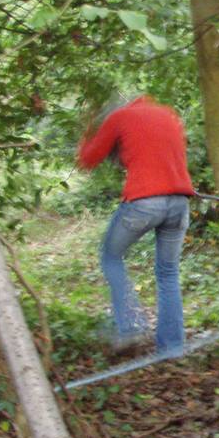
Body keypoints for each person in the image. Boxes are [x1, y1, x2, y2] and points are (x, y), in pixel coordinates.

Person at [77, 94, 195, 357]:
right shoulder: (169, 115)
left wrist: (88, 132)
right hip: (179, 203)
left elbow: (88, 159)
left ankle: (130, 327)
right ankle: (172, 347)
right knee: (168, 272)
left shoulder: (120, 117)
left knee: (111, 257)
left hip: (143, 204)